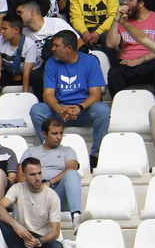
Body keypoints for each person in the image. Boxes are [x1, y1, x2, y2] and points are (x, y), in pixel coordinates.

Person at [29, 31, 111, 165]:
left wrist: (79, 108)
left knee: (102, 110)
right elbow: (48, 94)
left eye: (56, 46)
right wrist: (60, 109)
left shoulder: (90, 61)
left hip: (84, 110)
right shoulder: (51, 62)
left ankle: (96, 155)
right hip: (60, 110)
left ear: (69, 48)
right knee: (37, 110)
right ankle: (49, 150)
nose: (52, 49)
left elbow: (95, 95)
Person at [0, 157, 64, 248]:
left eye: (39, 173)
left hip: (40, 240)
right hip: (21, 236)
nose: (37, 178)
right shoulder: (17, 188)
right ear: (24, 175)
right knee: (3, 220)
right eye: (32, 174)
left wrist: (39, 241)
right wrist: (16, 225)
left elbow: (55, 231)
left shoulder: (52, 196)